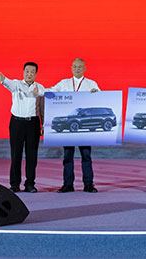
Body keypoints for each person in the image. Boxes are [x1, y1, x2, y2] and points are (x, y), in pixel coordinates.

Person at [47, 58, 100, 193]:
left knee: (86, 156)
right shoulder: (64, 83)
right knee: (67, 156)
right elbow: (50, 91)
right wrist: (39, 91)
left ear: (85, 68)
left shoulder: (91, 84)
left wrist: (96, 94)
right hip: (69, 124)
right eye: (75, 66)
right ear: (71, 68)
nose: (77, 69)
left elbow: (100, 98)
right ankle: (68, 184)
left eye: (80, 67)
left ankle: (89, 184)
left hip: (84, 126)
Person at [0, 62, 45, 193]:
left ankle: (30, 184)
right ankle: (14, 184)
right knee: (15, 154)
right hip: (17, 123)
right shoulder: (16, 84)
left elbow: (42, 108)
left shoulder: (40, 88)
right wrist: (2, 79)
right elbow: (7, 83)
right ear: (23, 72)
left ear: (36, 73)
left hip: (33, 123)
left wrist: (43, 124)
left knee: (32, 155)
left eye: (32, 72)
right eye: (27, 71)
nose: (29, 74)